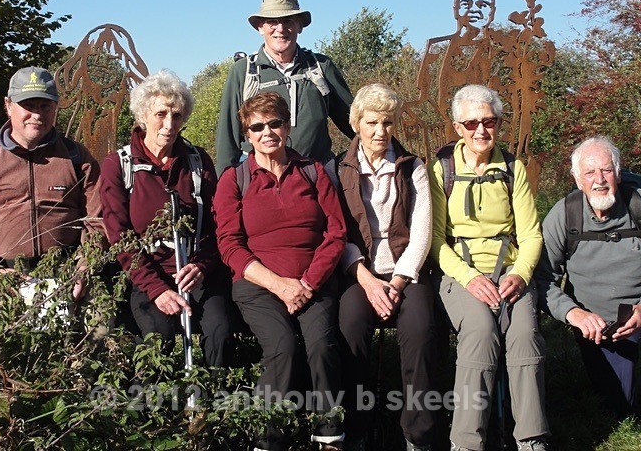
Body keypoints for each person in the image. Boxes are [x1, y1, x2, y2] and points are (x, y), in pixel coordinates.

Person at [536, 136, 641, 451]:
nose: (599, 180)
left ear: (618, 174)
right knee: (619, 409)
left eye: (606, 170)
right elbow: (541, 279)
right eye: (590, 173)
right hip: (597, 323)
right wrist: (573, 313)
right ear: (577, 179)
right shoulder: (563, 215)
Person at [214, 92, 346, 451]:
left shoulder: (312, 171)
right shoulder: (234, 179)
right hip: (257, 284)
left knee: (322, 344)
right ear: (247, 135)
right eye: (257, 127)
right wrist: (280, 286)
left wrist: (306, 283)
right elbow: (228, 244)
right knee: (283, 347)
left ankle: (329, 433)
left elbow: (335, 233)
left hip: (312, 281)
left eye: (274, 123)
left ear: (287, 126)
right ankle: (268, 438)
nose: (267, 132)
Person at [428, 84, 549, 451]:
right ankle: (467, 442)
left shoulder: (513, 168)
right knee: (481, 330)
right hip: (459, 274)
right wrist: (469, 278)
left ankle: (531, 439)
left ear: (498, 123)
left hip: (509, 271)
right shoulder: (441, 169)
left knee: (524, 333)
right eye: (470, 124)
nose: (480, 131)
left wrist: (520, 274)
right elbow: (435, 241)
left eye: (489, 122)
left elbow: (531, 235)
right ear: (456, 126)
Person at [99, 70, 233, 367]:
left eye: (178, 115)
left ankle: (214, 402)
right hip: (147, 276)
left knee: (220, 331)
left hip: (196, 272)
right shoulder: (119, 165)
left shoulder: (197, 161)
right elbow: (119, 235)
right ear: (143, 115)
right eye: (161, 114)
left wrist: (202, 264)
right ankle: (157, 406)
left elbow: (217, 223)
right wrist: (157, 289)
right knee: (158, 337)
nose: (170, 125)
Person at [0, 66, 102, 301]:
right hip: (2, 280)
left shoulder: (77, 158)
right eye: (28, 106)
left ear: (55, 107)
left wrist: (84, 267)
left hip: (69, 275)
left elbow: (99, 219)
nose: (37, 115)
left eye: (45, 106)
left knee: (99, 332)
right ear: (8, 105)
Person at [336, 84, 436, 451]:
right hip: (358, 273)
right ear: (356, 124)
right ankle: (357, 429)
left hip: (405, 272)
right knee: (350, 327)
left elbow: (422, 231)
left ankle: (418, 434)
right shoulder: (338, 168)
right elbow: (337, 231)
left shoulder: (413, 168)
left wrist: (395, 282)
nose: (381, 131)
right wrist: (365, 278)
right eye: (372, 122)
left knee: (421, 332)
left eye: (388, 122)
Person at [214, 0, 354, 174]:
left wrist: (395, 155)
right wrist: (224, 188)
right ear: (260, 27)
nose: (280, 28)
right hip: (262, 179)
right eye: (272, 22)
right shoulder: (243, 71)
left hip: (316, 176)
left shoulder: (320, 66)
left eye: (288, 21)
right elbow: (228, 137)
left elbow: (355, 121)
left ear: (300, 26)